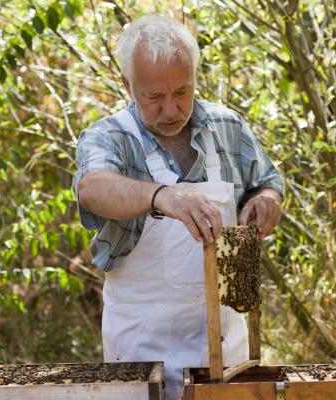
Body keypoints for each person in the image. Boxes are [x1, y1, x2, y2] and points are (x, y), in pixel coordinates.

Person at [73, 14, 284, 400]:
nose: (171, 109)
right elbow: (92, 188)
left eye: (182, 92)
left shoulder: (227, 126)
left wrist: (265, 203)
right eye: (155, 97)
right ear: (128, 85)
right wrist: (161, 195)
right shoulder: (108, 136)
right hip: (141, 355)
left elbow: (267, 184)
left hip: (228, 355)